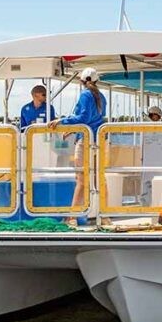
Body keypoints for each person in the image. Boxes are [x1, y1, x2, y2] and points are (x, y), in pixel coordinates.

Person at [48, 68, 107, 217]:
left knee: (80, 179)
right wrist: (73, 129)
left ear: (81, 81)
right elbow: (95, 119)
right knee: (99, 179)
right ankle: (105, 215)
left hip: (86, 139)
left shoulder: (85, 95)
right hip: (98, 139)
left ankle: (72, 217)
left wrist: (62, 121)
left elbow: (83, 118)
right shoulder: (101, 97)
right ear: (96, 80)